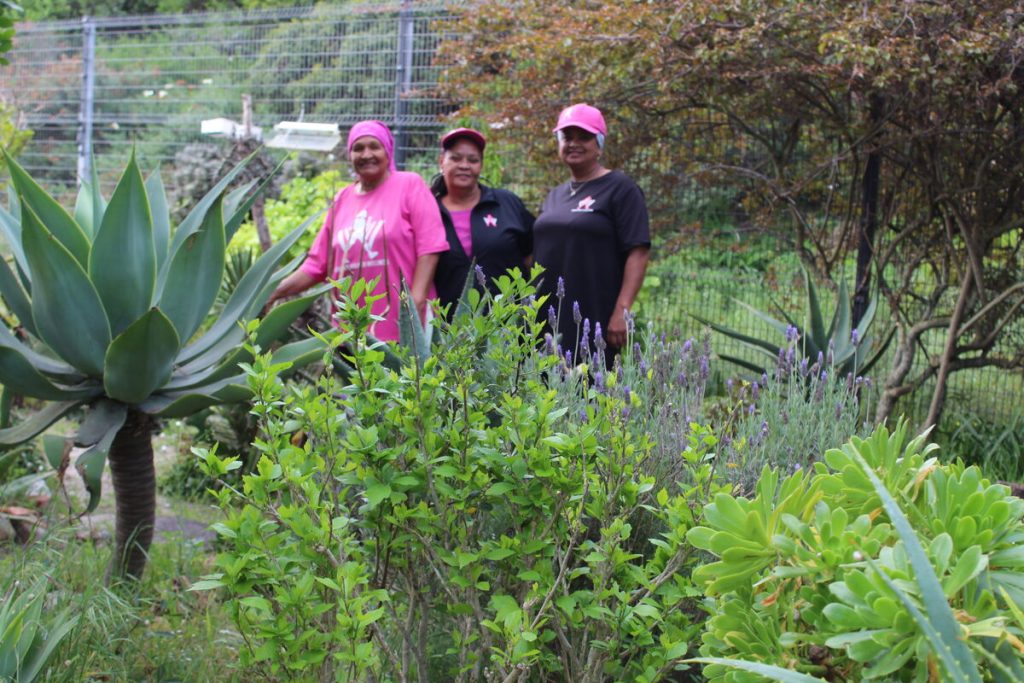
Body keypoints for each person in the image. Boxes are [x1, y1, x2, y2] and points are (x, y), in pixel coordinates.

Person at [268, 120, 448, 341]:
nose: (366, 154)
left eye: (374, 146)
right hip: (351, 332)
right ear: (349, 155)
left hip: (404, 329)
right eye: (358, 148)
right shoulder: (342, 199)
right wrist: (273, 291)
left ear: (387, 151)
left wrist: (416, 303)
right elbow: (317, 265)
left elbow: (430, 248)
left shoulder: (409, 185)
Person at [533, 103, 650, 363]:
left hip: (594, 317)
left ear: (599, 143)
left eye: (584, 137)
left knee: (589, 393)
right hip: (547, 318)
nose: (574, 143)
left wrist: (622, 310)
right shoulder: (555, 195)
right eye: (567, 137)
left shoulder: (620, 189)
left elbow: (638, 252)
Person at [431, 127, 534, 314]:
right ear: (441, 162)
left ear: (481, 165)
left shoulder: (506, 203)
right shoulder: (429, 211)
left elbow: (532, 259)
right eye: (455, 158)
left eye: (473, 160)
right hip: (448, 332)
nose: (464, 165)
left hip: (508, 327)